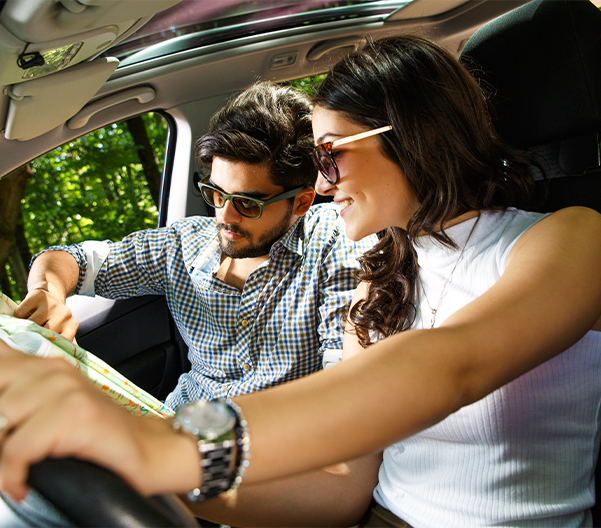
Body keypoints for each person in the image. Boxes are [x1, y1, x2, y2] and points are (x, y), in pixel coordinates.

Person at [1, 35, 601, 528]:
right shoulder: (383, 277)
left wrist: (167, 449)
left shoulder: (569, 239)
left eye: (330, 153)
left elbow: (450, 366)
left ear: (410, 137)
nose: (323, 182)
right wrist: (146, 478)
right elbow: (339, 493)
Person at [14, 81, 375, 409]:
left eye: (248, 203)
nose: (225, 216)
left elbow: (341, 384)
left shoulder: (332, 239)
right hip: (177, 425)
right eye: (216, 194)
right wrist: (47, 292)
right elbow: (72, 259)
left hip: (277, 447)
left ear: (302, 201)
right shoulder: (184, 243)